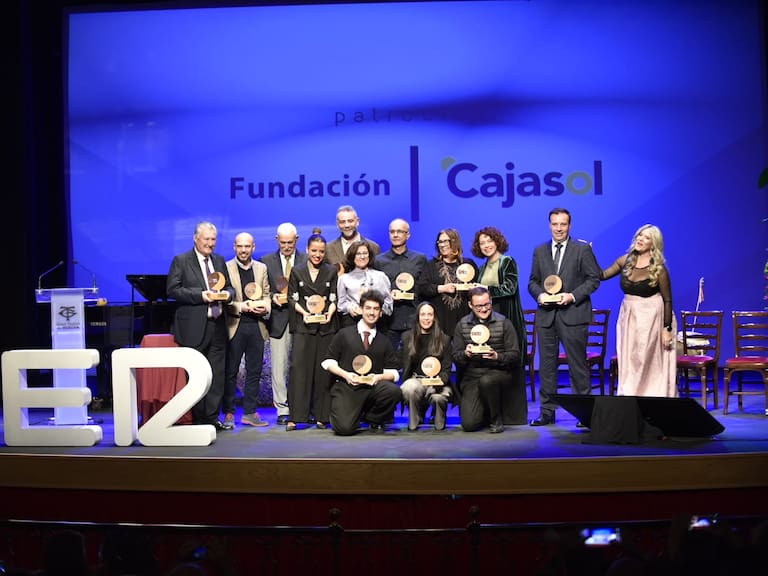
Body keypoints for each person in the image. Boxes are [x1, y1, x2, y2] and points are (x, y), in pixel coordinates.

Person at [527, 208, 601, 426]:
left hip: (574, 315)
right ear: (549, 225)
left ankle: (584, 414)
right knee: (547, 367)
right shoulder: (540, 250)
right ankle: (547, 412)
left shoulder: (582, 249)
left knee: (577, 366)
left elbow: (594, 279)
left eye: (563, 224)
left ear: (569, 225)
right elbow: (532, 281)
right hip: (547, 317)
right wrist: (539, 295)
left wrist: (572, 296)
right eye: (555, 224)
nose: (559, 228)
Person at [167, 221, 234, 429]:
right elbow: (173, 290)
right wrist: (201, 295)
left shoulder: (219, 261)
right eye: (206, 239)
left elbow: (230, 287)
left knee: (217, 375)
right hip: (193, 328)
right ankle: (197, 420)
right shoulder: (181, 260)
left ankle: (212, 419)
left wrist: (228, 295)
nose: (210, 243)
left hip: (218, 326)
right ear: (196, 239)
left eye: (213, 239)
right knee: (196, 375)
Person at [601, 224, 677, 397]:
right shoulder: (625, 260)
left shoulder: (659, 269)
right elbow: (602, 275)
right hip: (629, 315)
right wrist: (587, 257)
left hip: (652, 317)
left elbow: (667, 300)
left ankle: (651, 396)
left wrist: (667, 329)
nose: (640, 239)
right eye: (639, 235)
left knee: (647, 358)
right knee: (631, 357)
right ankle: (631, 395)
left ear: (653, 244)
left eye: (646, 237)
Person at [321, 290, 402, 436]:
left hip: (372, 389)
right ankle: (349, 416)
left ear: (381, 313)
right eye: (368, 308)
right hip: (347, 388)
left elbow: (394, 373)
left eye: (376, 309)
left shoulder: (384, 341)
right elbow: (328, 361)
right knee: (344, 429)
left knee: (393, 391)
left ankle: (372, 418)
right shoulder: (344, 334)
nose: (371, 313)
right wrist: (346, 375)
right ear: (361, 309)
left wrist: (378, 377)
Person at [472, 226, 529, 424]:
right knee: (491, 364)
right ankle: (492, 415)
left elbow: (509, 288)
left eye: (489, 241)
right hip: (488, 321)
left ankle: (514, 417)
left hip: (507, 318)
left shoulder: (508, 261)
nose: (486, 245)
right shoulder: (482, 267)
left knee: (511, 364)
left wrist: (485, 290)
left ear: (497, 241)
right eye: (482, 243)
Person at [286, 233, 338, 431]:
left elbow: (334, 298)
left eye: (321, 251)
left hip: (325, 328)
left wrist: (329, 314)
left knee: (323, 372)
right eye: (314, 250)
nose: (317, 255)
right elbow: (292, 298)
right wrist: (305, 313)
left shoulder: (331, 271)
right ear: (307, 250)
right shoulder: (297, 271)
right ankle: (295, 416)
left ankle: (321, 416)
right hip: (303, 327)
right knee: (299, 370)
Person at [452, 286, 521, 433]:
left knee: (487, 381)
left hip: (499, 373)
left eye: (487, 304)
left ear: (491, 301)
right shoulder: (462, 324)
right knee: (469, 425)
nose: (484, 309)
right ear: (470, 305)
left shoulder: (504, 323)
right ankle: (484, 413)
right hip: (472, 376)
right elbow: (456, 356)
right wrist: (465, 354)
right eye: (479, 306)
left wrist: (497, 357)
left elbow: (515, 354)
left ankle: (496, 419)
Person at [222, 232, 271, 428]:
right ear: (234, 247)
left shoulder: (261, 268)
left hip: (257, 326)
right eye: (240, 246)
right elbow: (224, 298)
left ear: (253, 247)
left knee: (254, 371)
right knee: (231, 371)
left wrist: (265, 307)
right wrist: (241, 307)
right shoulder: (226, 267)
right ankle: (228, 412)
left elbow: (267, 294)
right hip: (235, 325)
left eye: (247, 246)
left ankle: (250, 413)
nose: (243, 250)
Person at [261, 222, 307, 425]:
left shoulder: (307, 259)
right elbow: (263, 289)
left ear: (297, 240)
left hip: (302, 319)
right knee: (279, 367)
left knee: (302, 365)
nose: (287, 246)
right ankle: (282, 409)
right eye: (283, 243)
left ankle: (302, 407)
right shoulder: (266, 261)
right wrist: (272, 297)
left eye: (290, 242)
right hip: (279, 320)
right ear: (276, 240)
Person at [373, 218, 428, 351]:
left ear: (407, 235)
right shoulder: (379, 261)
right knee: (388, 359)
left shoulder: (419, 259)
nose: (395, 235)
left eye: (399, 231)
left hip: (413, 319)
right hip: (388, 322)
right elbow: (375, 290)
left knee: (413, 359)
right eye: (392, 232)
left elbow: (424, 288)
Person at [400, 301, 453, 431]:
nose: (426, 318)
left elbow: (447, 368)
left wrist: (439, 382)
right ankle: (416, 418)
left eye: (430, 314)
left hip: (437, 381)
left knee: (439, 397)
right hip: (417, 380)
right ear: (418, 317)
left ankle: (438, 416)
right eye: (423, 314)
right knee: (409, 388)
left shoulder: (444, 339)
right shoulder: (407, 337)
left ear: (434, 317)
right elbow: (400, 361)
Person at [416, 228, 478, 339]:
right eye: (440, 242)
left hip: (465, 321)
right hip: (440, 323)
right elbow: (422, 288)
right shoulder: (431, 265)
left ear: (455, 242)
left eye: (446, 241)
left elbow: (478, 289)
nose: (442, 245)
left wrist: (472, 289)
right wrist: (442, 288)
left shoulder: (468, 264)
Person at [336, 239, 393, 328]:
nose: (362, 257)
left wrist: (378, 310)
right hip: (353, 323)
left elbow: (389, 304)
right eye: (358, 254)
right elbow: (341, 305)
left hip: (378, 324)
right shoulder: (344, 279)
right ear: (352, 256)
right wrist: (351, 308)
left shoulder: (381, 276)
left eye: (365, 253)